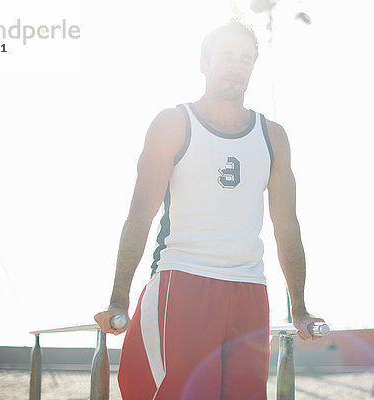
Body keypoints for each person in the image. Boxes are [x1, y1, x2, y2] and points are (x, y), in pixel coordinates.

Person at [94, 19, 324, 400]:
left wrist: (299, 307)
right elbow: (140, 214)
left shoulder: (274, 137)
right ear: (204, 63)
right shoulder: (173, 124)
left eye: (245, 60)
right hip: (183, 280)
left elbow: (287, 226)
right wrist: (119, 298)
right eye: (227, 57)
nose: (236, 67)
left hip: (249, 289)